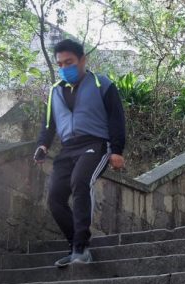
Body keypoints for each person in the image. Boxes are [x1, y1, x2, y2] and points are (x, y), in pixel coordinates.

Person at [34, 39, 126, 267]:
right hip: (68, 149)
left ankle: (82, 248)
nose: (65, 68)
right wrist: (43, 145)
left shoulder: (101, 84)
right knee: (55, 198)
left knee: (80, 181)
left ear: (83, 60)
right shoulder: (55, 91)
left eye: (70, 62)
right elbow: (49, 124)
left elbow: (117, 118)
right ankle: (75, 246)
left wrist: (117, 150)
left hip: (95, 144)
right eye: (61, 64)